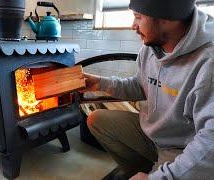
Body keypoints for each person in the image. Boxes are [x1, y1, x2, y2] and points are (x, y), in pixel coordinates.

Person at [83, 0, 214, 179]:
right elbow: (139, 86)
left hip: (181, 147)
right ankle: (141, 171)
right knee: (95, 119)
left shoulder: (208, 61)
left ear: (166, 18)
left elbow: (210, 142)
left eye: (138, 17)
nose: (133, 26)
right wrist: (99, 83)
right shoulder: (151, 47)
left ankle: (155, 172)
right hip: (153, 135)